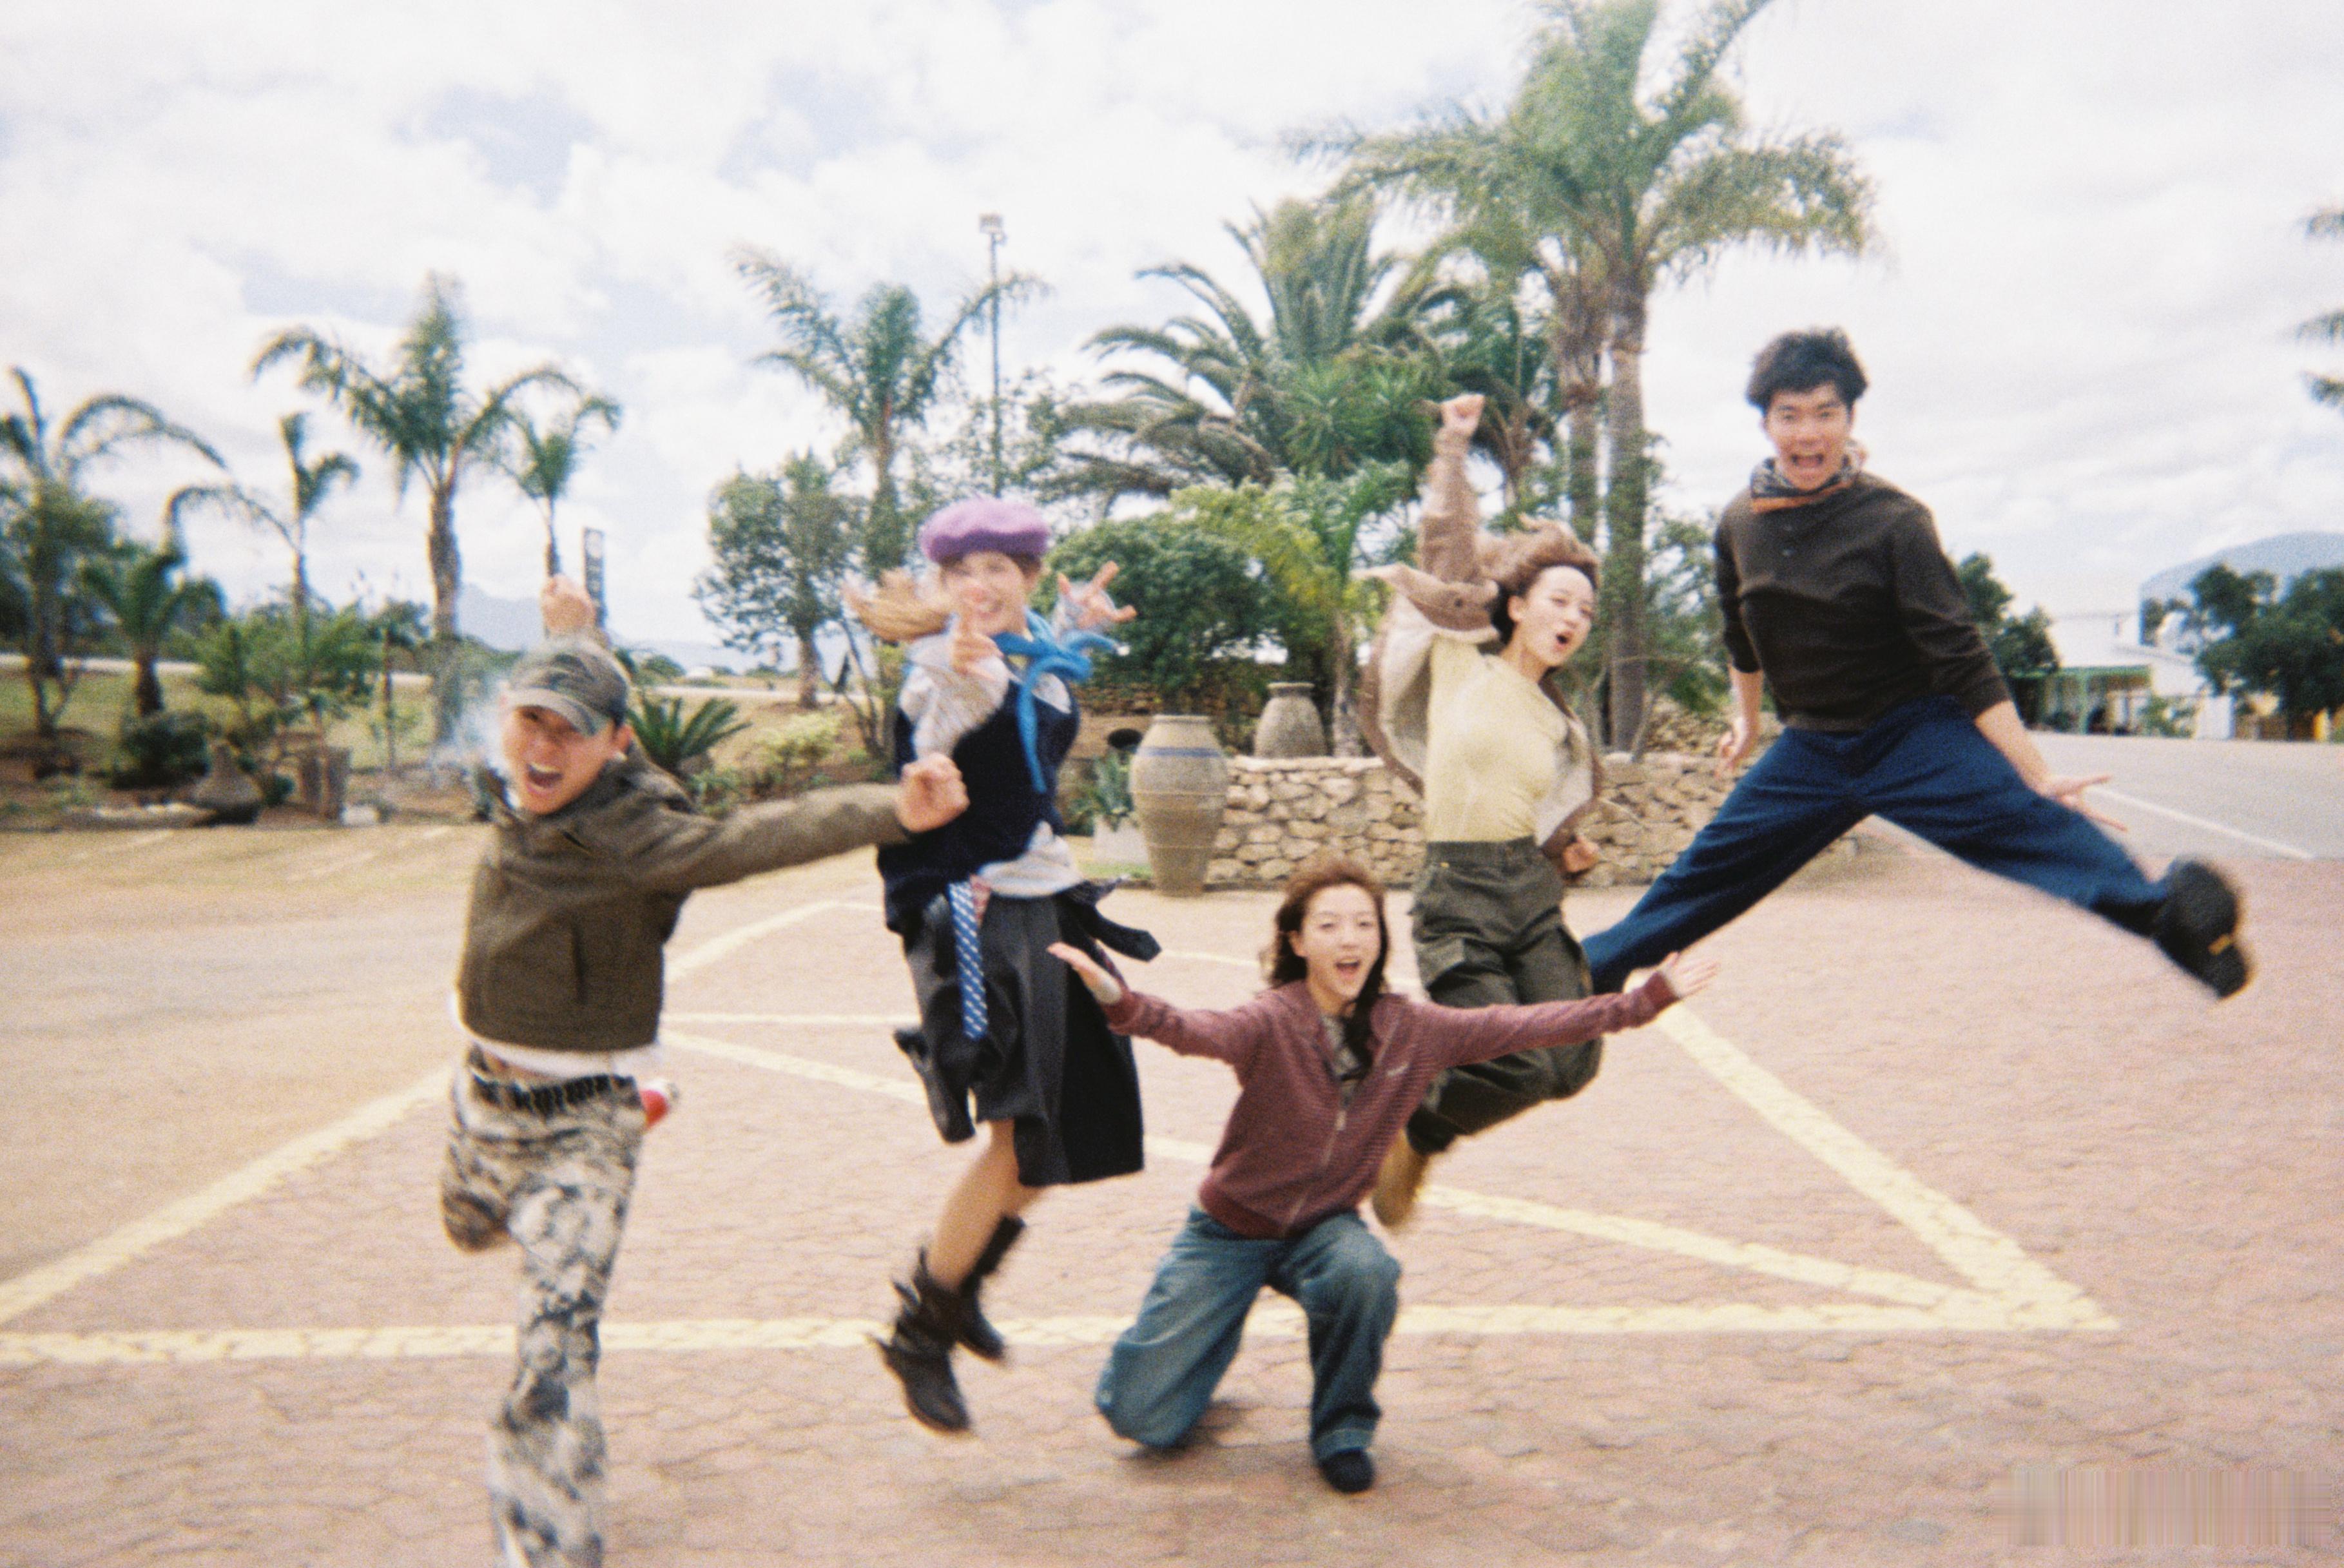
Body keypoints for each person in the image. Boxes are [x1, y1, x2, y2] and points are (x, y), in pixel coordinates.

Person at [438, 578, 967, 1568]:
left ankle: (548, 1544)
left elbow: (756, 837)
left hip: (583, 1118)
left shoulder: (636, 840)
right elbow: (583, 715)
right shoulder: (522, 782)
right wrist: (577, 636)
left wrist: (892, 809)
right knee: (466, 1226)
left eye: (569, 731)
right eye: (530, 722)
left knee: (554, 1338)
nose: (542, 748)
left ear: (614, 745)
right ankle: (540, 1172)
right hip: (481, 1097)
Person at [1581, 328, 2251, 999]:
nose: (1807, 433)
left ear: (1850, 418)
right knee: (1708, 872)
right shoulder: (1739, 523)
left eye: (1825, 413)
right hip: (1812, 748)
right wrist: (1747, 721)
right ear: (1766, 424)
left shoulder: (1895, 521)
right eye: (1789, 415)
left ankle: (2171, 918)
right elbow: (1742, 637)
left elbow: (1960, 656)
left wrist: (2037, 770)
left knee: (2029, 828)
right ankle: (1587, 972)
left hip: (1911, 733)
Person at [1052, 857, 1714, 1494]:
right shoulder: (1270, 1021)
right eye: (1329, 924)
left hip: (1323, 1227)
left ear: (1379, 940)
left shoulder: (1412, 1029)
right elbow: (1189, 1029)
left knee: (1365, 1272)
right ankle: (1202, 1348)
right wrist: (1117, 998)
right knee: (1140, 1417)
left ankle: (1342, 1431)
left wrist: (1642, 1001)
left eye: (1363, 924)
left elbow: (1522, 1023)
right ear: (1297, 941)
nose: (1349, 939)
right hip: (1228, 1231)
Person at [848, 496, 1160, 1436]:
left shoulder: (1028, 653)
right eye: (960, 572)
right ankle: (922, 1330)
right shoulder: (944, 669)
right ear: (941, 584)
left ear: (1026, 576)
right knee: (1020, 1132)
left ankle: (961, 1282)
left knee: (1058, 1133)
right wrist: (958, 676)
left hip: (1045, 901)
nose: (977, 587)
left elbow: (1032, 680)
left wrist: (1072, 621)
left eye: (998, 569)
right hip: (977, 908)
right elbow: (942, 724)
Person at [1355, 391, 1611, 1229]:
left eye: (1585, 609)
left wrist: (1564, 850)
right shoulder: (1461, 660)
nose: (1572, 617)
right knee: (1518, 1067)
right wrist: (1453, 449)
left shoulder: (1558, 723)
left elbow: (1538, 808)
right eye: (1559, 599)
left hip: (1526, 897)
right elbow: (1448, 547)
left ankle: (1420, 1114)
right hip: (1458, 895)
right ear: (1518, 604)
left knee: (1571, 1064)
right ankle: (1412, 1123)